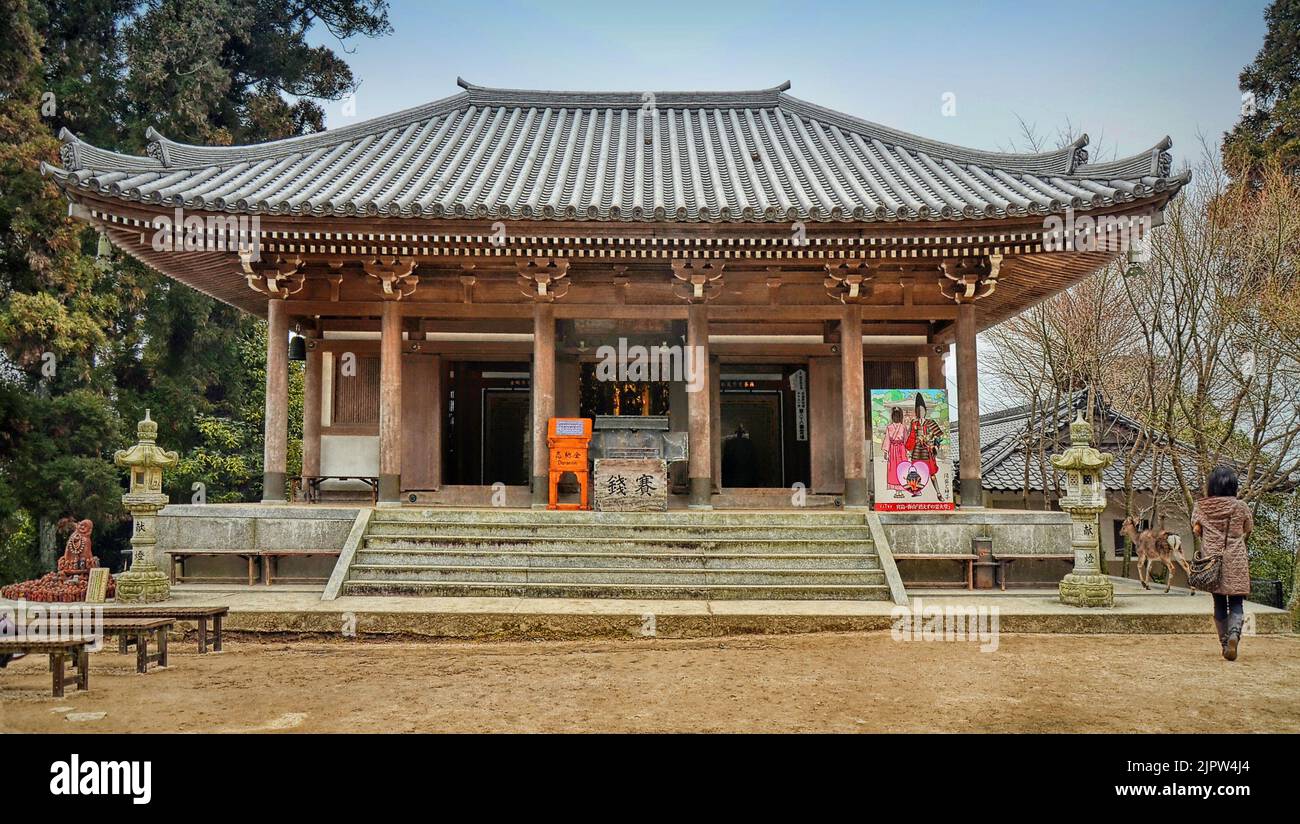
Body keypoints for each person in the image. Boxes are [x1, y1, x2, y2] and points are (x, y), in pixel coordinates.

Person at [1191, 465, 1253, 661]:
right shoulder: (1240, 506)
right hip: (1236, 558)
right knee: (1236, 601)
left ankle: (1225, 642)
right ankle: (1235, 634)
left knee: (1218, 601)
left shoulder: (1201, 506)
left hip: (1212, 561)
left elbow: (1196, 530)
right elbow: (1248, 527)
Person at [904, 393, 945, 500]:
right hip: (917, 451)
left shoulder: (931, 422)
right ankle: (917, 491)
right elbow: (912, 437)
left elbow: (939, 436)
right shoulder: (914, 423)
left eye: (922, 410)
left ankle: (938, 493)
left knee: (931, 474)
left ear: (925, 411)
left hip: (927, 450)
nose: (920, 412)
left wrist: (934, 444)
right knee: (915, 472)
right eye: (918, 410)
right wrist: (908, 448)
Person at [884, 407, 908, 496]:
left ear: (900, 416)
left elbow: (905, 439)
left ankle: (901, 489)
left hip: (901, 450)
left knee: (902, 468)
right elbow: (887, 439)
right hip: (893, 449)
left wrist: (908, 450)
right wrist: (886, 452)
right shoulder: (889, 427)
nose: (896, 417)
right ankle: (896, 489)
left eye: (898, 415)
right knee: (893, 469)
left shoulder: (903, 427)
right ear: (892, 416)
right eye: (894, 415)